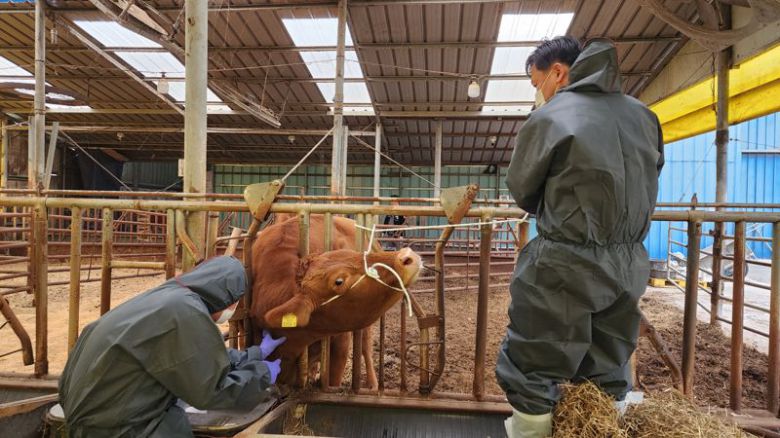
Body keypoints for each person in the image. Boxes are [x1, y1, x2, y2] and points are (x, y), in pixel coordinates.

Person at [496, 37, 664, 438]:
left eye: (538, 83)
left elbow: (523, 190)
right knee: (609, 363)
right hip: (627, 262)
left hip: (565, 263)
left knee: (532, 363)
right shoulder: (645, 116)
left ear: (557, 72)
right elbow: (651, 176)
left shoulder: (553, 116)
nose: (540, 93)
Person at [59, 256, 286, 437]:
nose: (233, 309)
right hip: (120, 427)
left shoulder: (170, 298)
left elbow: (185, 358)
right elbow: (213, 391)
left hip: (92, 409)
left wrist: (253, 354)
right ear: (223, 296)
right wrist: (263, 374)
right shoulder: (186, 313)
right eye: (234, 302)